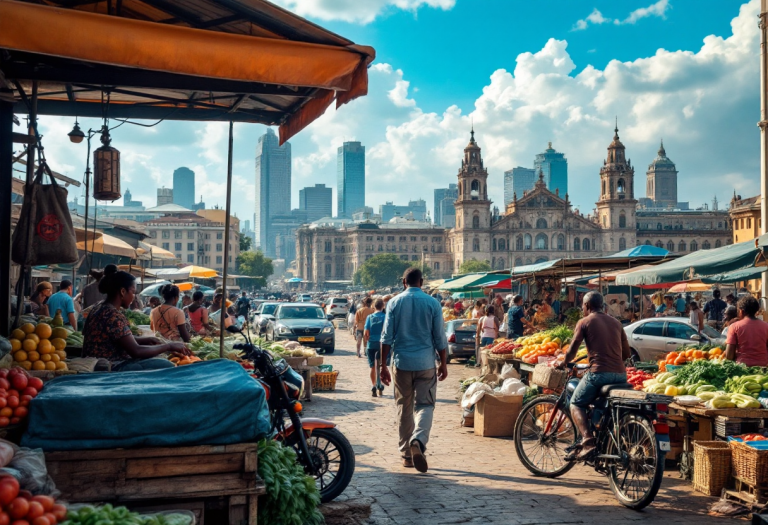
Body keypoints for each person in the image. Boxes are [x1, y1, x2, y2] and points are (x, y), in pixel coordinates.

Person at [380, 268, 448, 473]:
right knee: (425, 405)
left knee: (404, 407)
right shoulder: (432, 303)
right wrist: (443, 363)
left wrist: (383, 365)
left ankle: (407, 456)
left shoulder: (394, 302)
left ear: (403, 282)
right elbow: (440, 337)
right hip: (426, 363)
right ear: (422, 281)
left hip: (401, 363)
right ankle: (418, 440)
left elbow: (386, 337)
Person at [558, 292, 630, 461]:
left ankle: (588, 440)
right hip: (620, 375)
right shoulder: (616, 323)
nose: (582, 309)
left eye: (583, 306)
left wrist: (563, 362)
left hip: (599, 373)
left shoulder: (584, 322)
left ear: (587, 306)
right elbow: (626, 353)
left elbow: (572, 349)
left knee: (576, 402)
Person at [82, 267, 191, 371]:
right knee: (165, 364)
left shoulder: (98, 307)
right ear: (123, 292)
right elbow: (136, 351)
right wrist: (169, 346)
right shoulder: (114, 316)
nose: (134, 297)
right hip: (111, 365)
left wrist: (145, 339)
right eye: (133, 292)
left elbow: (117, 338)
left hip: (95, 360)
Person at [726, 296, 768, 367]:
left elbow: (729, 356)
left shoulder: (734, 327)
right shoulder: (766, 326)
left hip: (742, 368)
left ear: (741, 311)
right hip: (763, 367)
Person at [364, 298, 389, 397]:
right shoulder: (385, 317)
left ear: (374, 306)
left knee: (372, 367)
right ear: (383, 306)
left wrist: (367, 342)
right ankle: (380, 385)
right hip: (382, 344)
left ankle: (373, 385)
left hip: (371, 344)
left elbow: (366, 332)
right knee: (382, 365)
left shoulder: (370, 317)